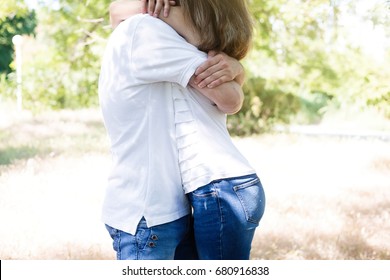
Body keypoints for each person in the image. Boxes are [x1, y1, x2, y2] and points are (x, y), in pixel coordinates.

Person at [101, 0, 266, 260]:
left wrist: (236, 69)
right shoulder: (146, 31)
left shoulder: (181, 47)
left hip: (211, 189)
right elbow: (231, 99)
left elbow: (230, 99)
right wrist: (237, 69)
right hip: (161, 205)